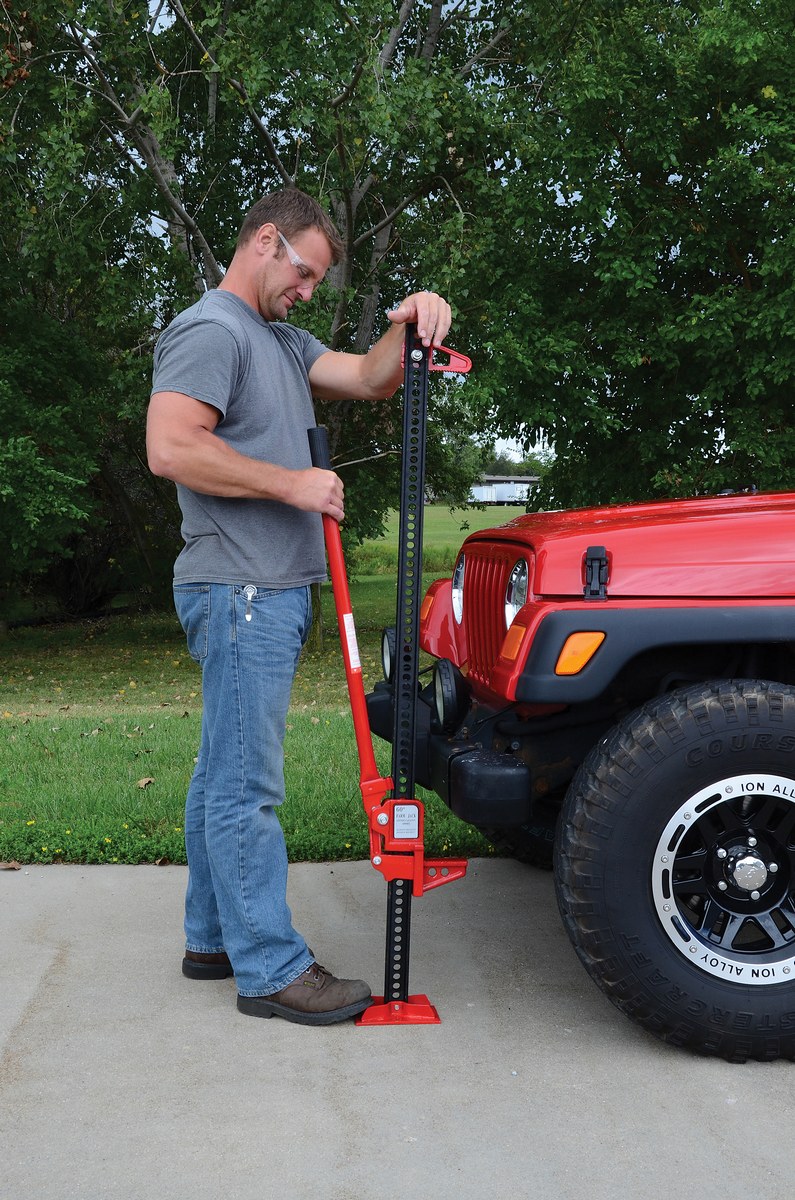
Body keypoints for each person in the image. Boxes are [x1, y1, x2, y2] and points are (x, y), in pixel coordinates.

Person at [146, 188, 452, 1026]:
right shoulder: (212, 330)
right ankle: (271, 969)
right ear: (266, 241)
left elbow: (368, 377)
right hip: (240, 589)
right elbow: (169, 446)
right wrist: (292, 485)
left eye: (317, 281)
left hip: (261, 588)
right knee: (246, 785)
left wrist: (412, 318)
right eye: (304, 273)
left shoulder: (277, 339)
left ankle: (214, 938)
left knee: (221, 773)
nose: (308, 292)